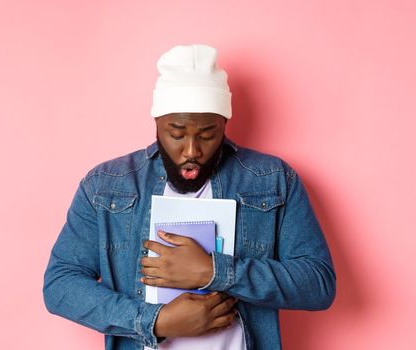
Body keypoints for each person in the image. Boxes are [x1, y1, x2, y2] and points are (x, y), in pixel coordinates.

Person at [42, 44, 336, 350]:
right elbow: (60, 284)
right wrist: (155, 321)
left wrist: (215, 271)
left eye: (208, 134)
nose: (192, 151)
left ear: (225, 125)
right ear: (157, 123)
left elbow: (318, 283)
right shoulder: (106, 186)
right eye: (177, 133)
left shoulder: (272, 179)